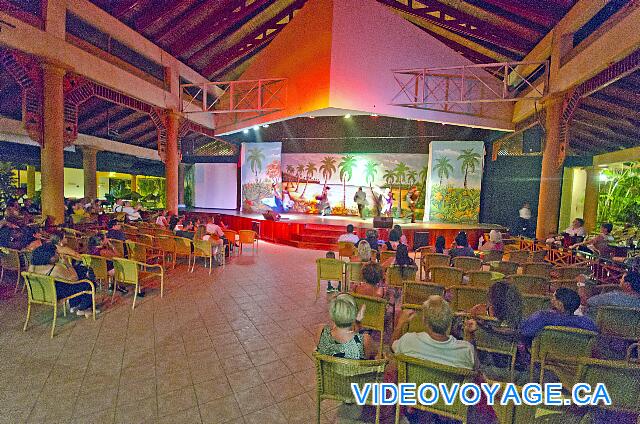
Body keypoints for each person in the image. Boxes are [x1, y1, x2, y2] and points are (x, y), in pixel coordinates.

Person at [392, 295, 477, 369]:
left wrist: (400, 323)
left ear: (425, 321)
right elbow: (475, 366)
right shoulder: (466, 350)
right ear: (449, 322)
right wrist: (470, 335)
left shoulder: (408, 341)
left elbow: (392, 347)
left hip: (412, 387)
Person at [29, 243, 96, 316]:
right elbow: (74, 279)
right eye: (56, 253)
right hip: (57, 294)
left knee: (80, 271)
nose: (58, 254)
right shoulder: (55, 269)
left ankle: (75, 305)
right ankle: (83, 308)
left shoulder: (31, 267)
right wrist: (67, 263)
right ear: (49, 257)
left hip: (42, 293)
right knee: (89, 283)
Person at [520, 288, 598, 347]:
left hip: (544, 356)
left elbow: (525, 332)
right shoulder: (588, 323)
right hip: (577, 360)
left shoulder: (543, 317)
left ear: (559, 303)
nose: (551, 300)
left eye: (553, 297)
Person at [315, 293, 373, 359]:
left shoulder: (321, 331)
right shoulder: (365, 340)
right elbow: (367, 359)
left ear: (332, 312)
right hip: (353, 369)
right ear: (355, 313)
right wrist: (358, 322)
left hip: (328, 369)